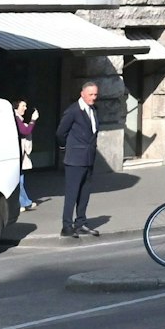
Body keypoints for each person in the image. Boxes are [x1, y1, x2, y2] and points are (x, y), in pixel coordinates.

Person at [57, 80, 101, 238]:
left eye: (96, 94)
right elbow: (60, 133)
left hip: (89, 159)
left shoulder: (94, 109)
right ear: (82, 94)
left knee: (85, 193)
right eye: (91, 94)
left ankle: (81, 223)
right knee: (72, 193)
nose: (94, 97)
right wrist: (65, 149)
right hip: (75, 159)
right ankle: (67, 226)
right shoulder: (73, 111)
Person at [12, 100, 36, 211]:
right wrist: (33, 120)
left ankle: (22, 203)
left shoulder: (17, 119)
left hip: (18, 153)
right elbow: (25, 131)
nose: (25, 108)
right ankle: (25, 203)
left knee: (20, 178)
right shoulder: (16, 118)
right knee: (19, 179)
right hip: (16, 152)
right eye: (23, 106)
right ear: (16, 107)